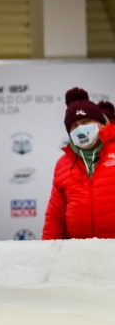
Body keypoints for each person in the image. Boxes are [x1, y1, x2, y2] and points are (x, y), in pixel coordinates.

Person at [42, 88, 115, 240]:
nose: (80, 128)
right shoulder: (63, 164)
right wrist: (48, 253)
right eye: (74, 126)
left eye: (85, 121)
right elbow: (55, 218)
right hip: (80, 256)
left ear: (100, 123)